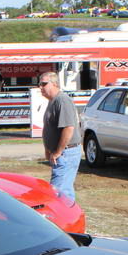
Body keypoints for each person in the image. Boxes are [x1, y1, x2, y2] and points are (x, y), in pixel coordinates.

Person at [38, 71, 80, 205]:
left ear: (55, 84)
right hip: (62, 153)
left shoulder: (62, 100)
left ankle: (64, 221)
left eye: (44, 84)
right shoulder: (53, 101)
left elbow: (68, 128)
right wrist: (48, 148)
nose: (40, 87)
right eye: (40, 84)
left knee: (58, 192)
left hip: (67, 152)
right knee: (63, 190)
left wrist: (58, 151)